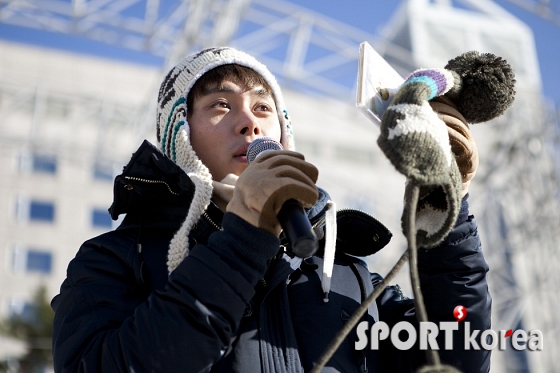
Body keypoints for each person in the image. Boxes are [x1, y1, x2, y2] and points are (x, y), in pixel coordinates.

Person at [51, 47, 491, 372]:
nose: (250, 120)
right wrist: (243, 236)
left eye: (264, 107)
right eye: (221, 105)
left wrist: (444, 208)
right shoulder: (117, 257)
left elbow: (457, 350)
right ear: (179, 137)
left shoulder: (347, 273)